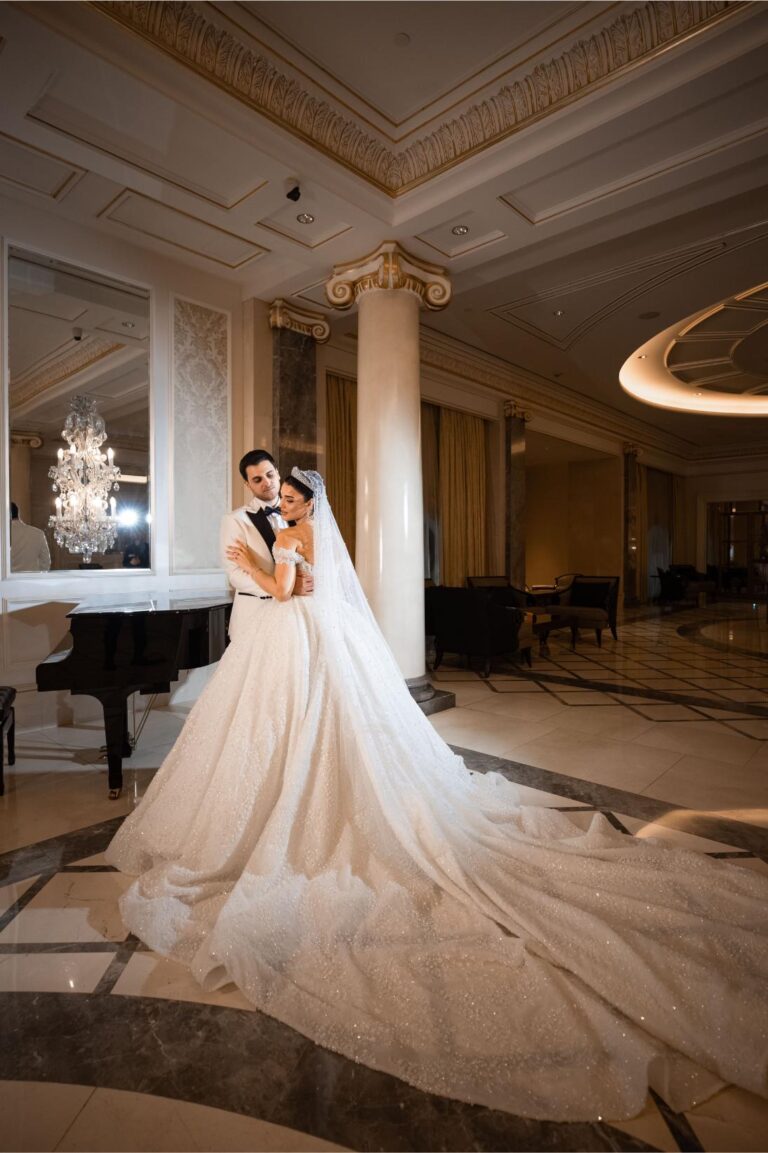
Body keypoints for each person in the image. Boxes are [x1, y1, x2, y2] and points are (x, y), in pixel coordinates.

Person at [107, 468, 768, 1123]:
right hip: (307, 636)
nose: (279, 500)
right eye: (274, 492)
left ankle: (289, 809)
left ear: (304, 501)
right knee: (307, 730)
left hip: (289, 629)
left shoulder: (288, 535)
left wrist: (257, 561)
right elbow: (305, 587)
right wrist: (275, 566)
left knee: (296, 733)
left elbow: (283, 590)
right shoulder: (309, 532)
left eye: (286, 494)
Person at [219, 450, 312, 639]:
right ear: (247, 484)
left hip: (295, 615)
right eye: (257, 479)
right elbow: (235, 574)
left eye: (269, 475)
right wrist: (285, 588)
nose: (267, 482)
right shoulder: (235, 520)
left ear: (277, 473)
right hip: (254, 613)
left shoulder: (301, 514)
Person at [10, 501, 51, 572]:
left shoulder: (3, 535)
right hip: (32, 577)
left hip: (5, 579)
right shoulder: (38, 533)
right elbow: (46, 563)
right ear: (18, 513)